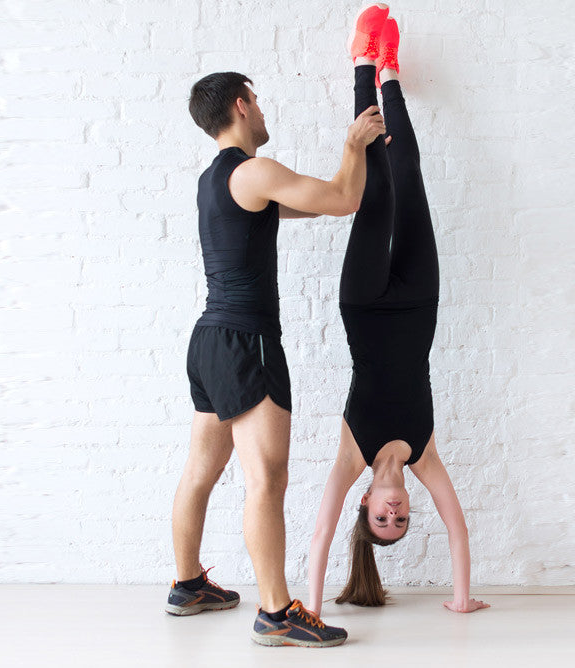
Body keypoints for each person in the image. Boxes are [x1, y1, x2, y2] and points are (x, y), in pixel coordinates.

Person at [166, 60, 386, 647]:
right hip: (247, 342)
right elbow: (342, 198)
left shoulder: (217, 181)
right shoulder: (255, 171)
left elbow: (322, 204)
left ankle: (187, 585)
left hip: (209, 341)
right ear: (241, 104)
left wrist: (347, 187)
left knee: (201, 473)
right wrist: (352, 143)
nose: (263, 111)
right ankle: (274, 613)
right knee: (267, 477)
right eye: (257, 102)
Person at [307, 5, 491, 617]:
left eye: (382, 520)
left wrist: (309, 608)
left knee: (376, 188)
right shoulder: (425, 452)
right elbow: (459, 527)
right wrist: (460, 601)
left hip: (363, 304)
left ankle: (363, 60)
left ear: (366, 505)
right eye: (402, 518)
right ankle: (387, 72)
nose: (394, 512)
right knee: (408, 173)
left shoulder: (350, 456)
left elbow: (320, 535)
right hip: (419, 300)